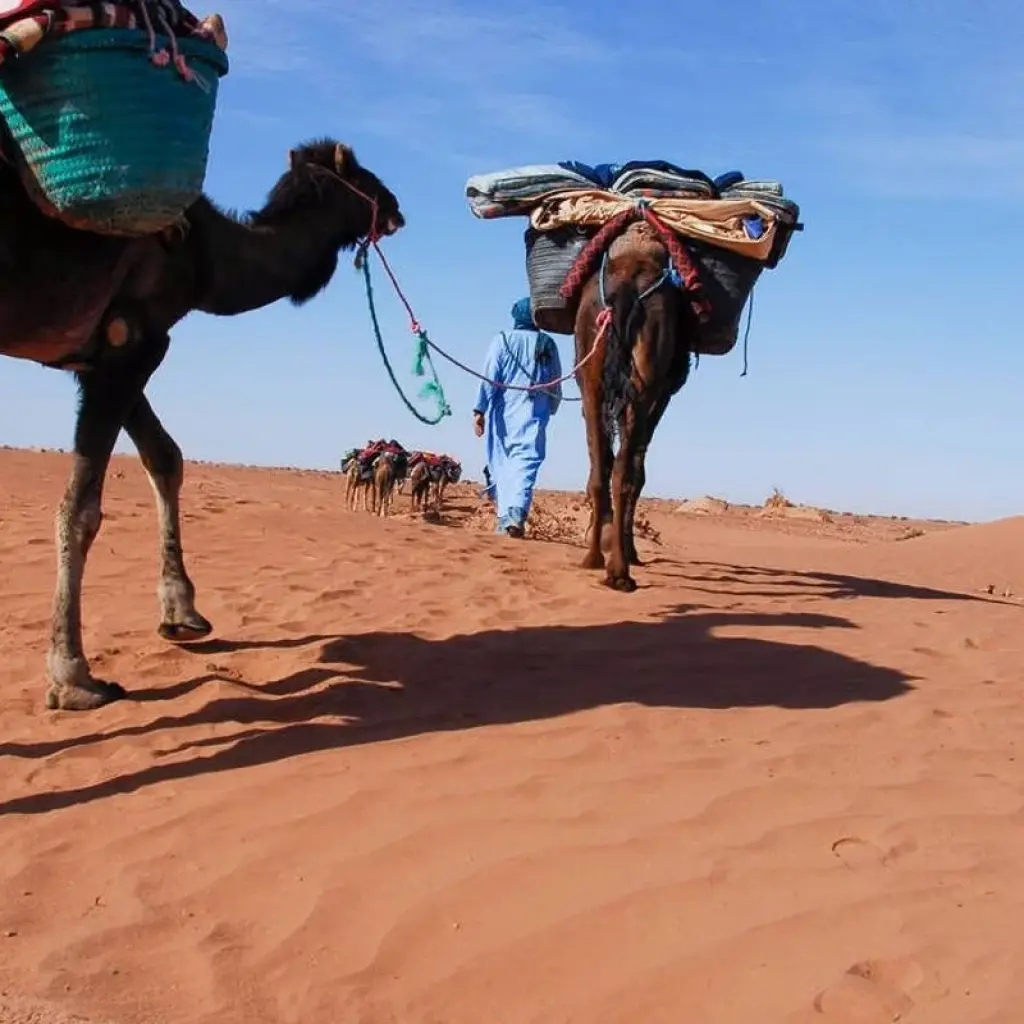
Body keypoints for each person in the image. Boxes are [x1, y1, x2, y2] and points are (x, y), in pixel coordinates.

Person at [473, 297, 563, 537]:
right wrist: (552, 406)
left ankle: (511, 516)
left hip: (503, 415)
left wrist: (479, 410)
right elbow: (556, 381)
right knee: (526, 464)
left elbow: (490, 377)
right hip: (535, 413)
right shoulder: (548, 343)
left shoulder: (501, 340)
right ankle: (511, 517)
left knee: (504, 464)